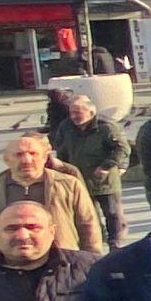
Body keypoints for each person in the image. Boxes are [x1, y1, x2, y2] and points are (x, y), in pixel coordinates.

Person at [0, 132, 105, 253]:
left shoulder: (69, 185)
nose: (27, 160)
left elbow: (88, 225)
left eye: (33, 153)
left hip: (62, 261)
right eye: (19, 154)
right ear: (7, 160)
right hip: (11, 266)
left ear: (44, 158)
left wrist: (92, 260)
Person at [49, 91, 129, 253]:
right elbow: (61, 149)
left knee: (113, 214)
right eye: (72, 113)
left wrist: (107, 166)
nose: (74, 117)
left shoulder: (106, 127)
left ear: (91, 113)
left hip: (104, 181)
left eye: (78, 113)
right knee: (88, 216)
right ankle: (95, 245)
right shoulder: (66, 127)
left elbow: (122, 148)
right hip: (79, 180)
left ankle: (116, 244)